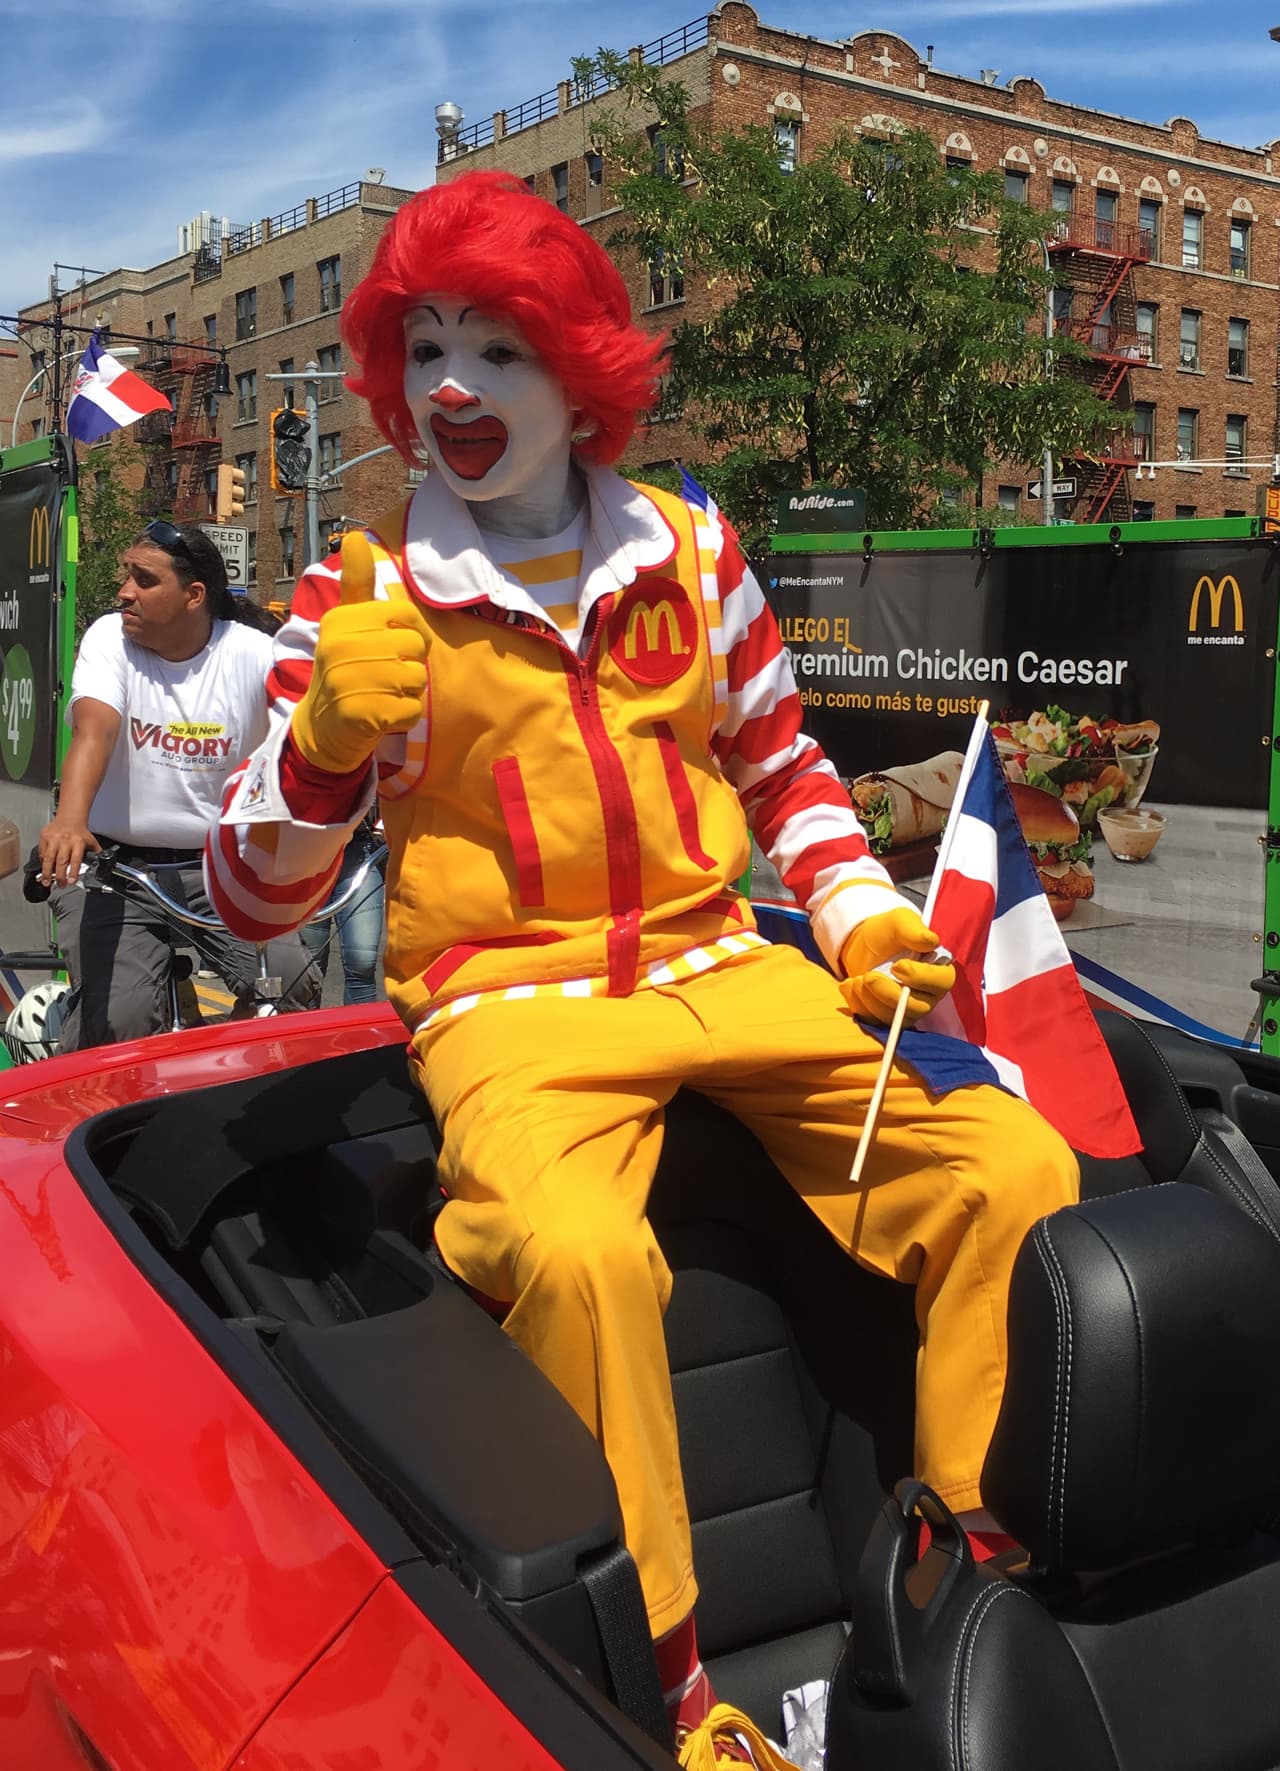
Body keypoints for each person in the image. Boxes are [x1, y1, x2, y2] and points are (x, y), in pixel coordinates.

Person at [206, 173, 1078, 1769]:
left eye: (498, 350)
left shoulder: (693, 544)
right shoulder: (358, 590)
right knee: (577, 1252)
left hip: (725, 962)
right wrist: (324, 747)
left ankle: (970, 1548)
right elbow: (254, 905)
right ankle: (668, 1679)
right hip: (509, 1003)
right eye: (425, 347)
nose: (451, 387)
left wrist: (865, 911)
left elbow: (782, 766)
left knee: (1013, 1157)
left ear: (581, 372)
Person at [39, 521, 321, 1048]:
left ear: (194, 596)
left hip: (221, 868)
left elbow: (309, 742)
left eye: (143, 580)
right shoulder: (110, 639)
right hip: (117, 870)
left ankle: (221, 1092)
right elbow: (94, 732)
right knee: (118, 1019)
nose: (124, 592)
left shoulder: (254, 654)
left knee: (290, 985)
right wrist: (71, 820)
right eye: (126, 576)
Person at [300, 809, 386, 1004]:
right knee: (308, 969)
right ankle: (306, 1032)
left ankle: (361, 1032)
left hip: (360, 848)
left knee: (362, 962)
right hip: (306, 852)